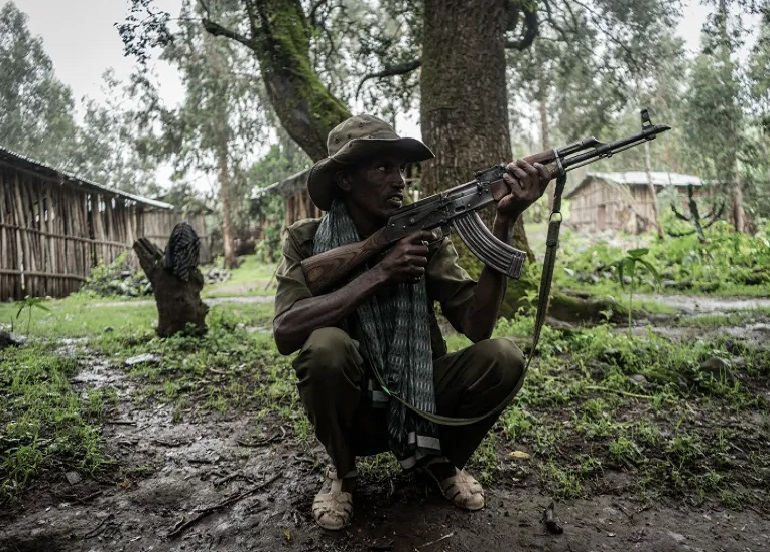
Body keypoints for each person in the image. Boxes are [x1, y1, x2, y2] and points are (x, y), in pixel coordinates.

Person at [273, 114, 551, 531]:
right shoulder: (307, 241)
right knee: (325, 348)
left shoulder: (425, 236)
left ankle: (440, 462)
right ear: (346, 181)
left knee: (505, 357)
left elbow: (477, 328)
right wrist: (380, 272)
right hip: (357, 410)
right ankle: (343, 475)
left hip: (420, 397)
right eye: (383, 168)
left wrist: (504, 221)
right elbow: (285, 331)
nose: (400, 181)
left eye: (402, 169)